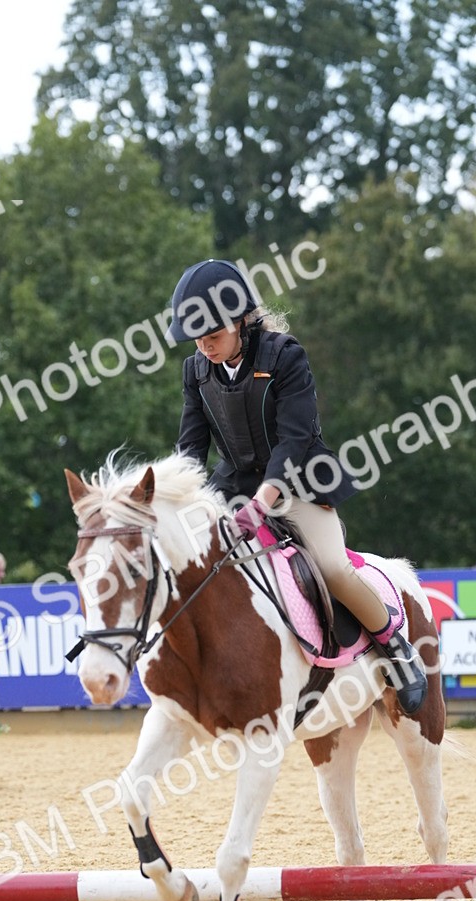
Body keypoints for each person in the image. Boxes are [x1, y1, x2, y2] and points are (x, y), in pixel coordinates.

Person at [170, 258, 427, 715]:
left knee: (331, 567)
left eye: (213, 334)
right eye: (198, 337)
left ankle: (396, 648)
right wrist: (177, 504)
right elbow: (191, 449)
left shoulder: (285, 356)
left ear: (241, 321)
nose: (205, 345)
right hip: (232, 486)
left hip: (300, 482)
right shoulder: (195, 371)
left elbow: (294, 439)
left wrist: (262, 502)